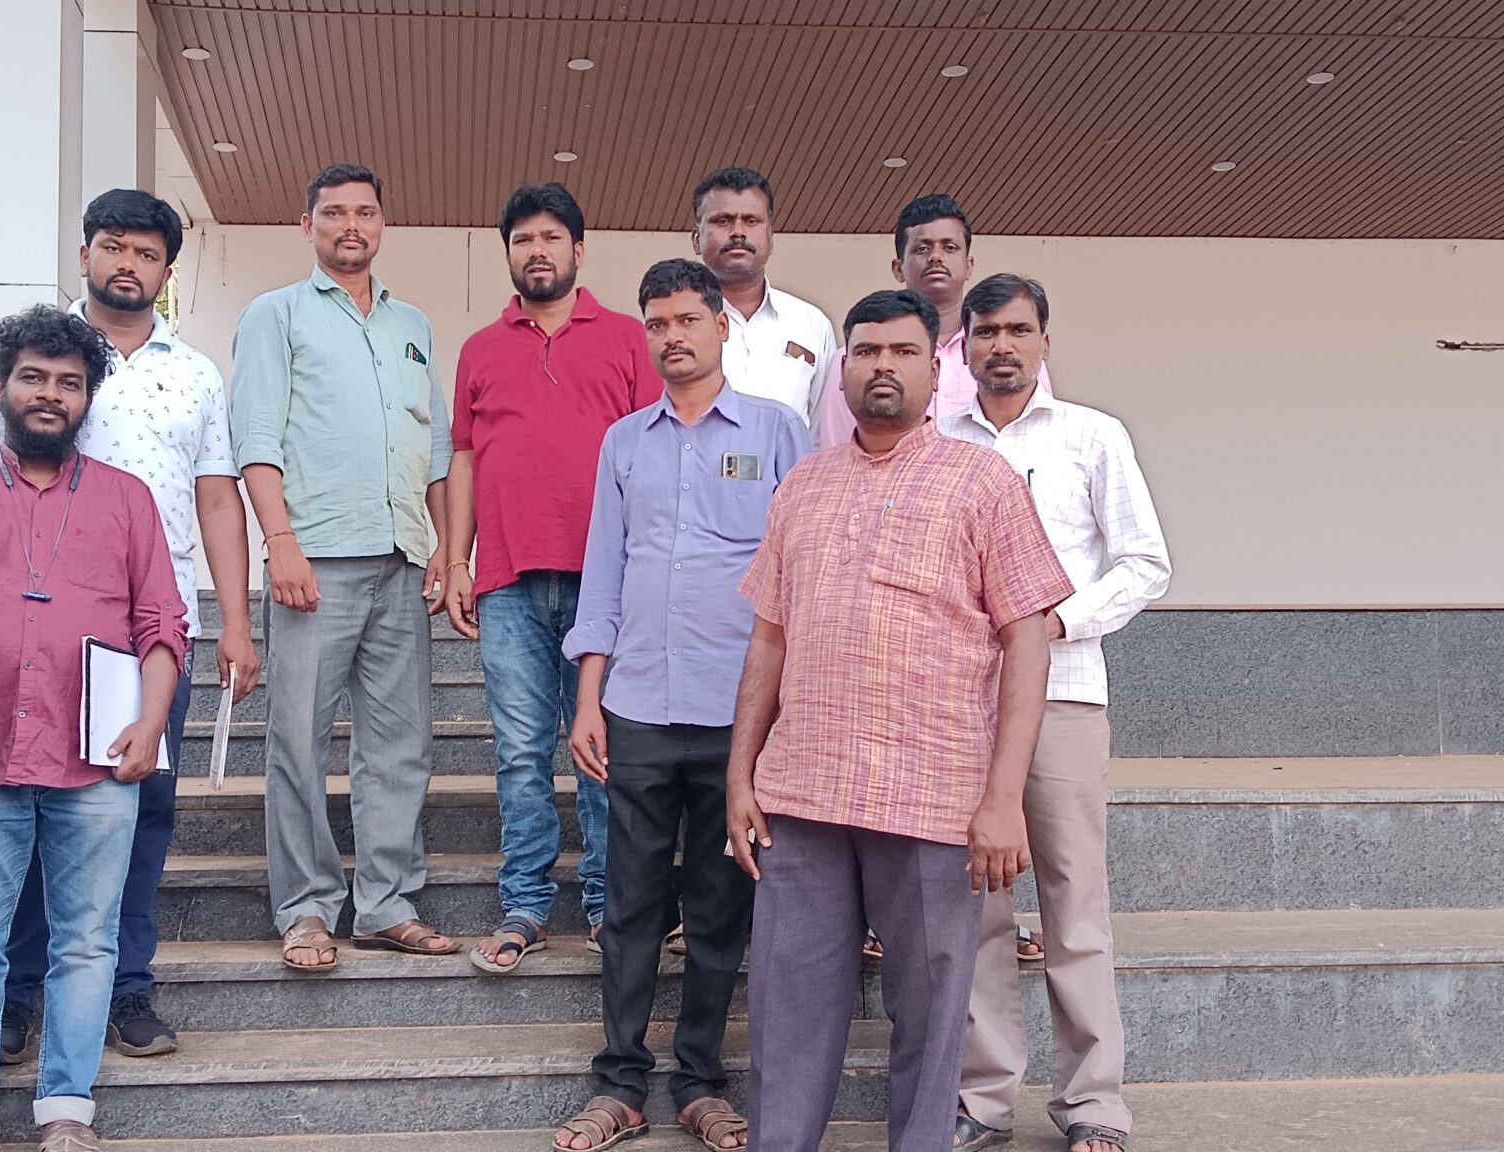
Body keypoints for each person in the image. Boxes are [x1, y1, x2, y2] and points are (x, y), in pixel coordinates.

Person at [730, 290, 1072, 1152]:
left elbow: (1028, 642)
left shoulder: (983, 483)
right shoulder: (802, 487)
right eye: (867, 351)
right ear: (843, 368)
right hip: (802, 796)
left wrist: (1003, 799)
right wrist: (740, 776)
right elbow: (768, 640)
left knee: (930, 1017)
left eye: (904, 351)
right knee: (784, 1014)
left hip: (932, 801)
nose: (883, 365)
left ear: (933, 370)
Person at [0, 189, 259, 1063]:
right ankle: (18, 993)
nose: (128, 264)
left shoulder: (194, 373)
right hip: (38, 622)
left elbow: (216, 499)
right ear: (86, 252)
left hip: (151, 629)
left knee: (137, 811)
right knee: (25, 800)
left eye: (147, 253)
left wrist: (235, 621)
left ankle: (127, 987)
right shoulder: (37, 358)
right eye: (113, 246)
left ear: (167, 270)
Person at [548, 260, 811, 1152]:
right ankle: (620, 1083)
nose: (672, 337)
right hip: (639, 707)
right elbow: (604, 572)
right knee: (629, 904)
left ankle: (699, 1080)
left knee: (718, 903)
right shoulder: (625, 442)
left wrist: (788, 708)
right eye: (657, 324)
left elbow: (801, 573)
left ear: (720, 325)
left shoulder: (777, 432)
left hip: (740, 715)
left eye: (687, 320)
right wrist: (589, 696)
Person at [0, 307, 188, 1152]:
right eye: (33, 377)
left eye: (70, 383)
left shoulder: (127, 500)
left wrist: (151, 720)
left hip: (99, 763)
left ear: (87, 400)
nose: (50, 394)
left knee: (87, 945)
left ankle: (67, 1111)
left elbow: (162, 624)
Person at [944, 275, 1169, 1152]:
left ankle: (1094, 1106)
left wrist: (1054, 624)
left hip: (1064, 693)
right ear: (963, 346)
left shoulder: (1091, 436)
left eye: (1018, 330)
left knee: (1074, 906)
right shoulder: (938, 441)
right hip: (962, 705)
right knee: (976, 911)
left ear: (1044, 341)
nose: (1001, 346)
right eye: (985, 332)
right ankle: (982, 1100)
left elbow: (1145, 563)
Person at [231, 163, 460, 969]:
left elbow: (435, 446)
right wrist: (280, 543)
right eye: (334, 213)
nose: (351, 226)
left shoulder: (412, 324)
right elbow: (256, 436)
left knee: (401, 743)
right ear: (308, 226)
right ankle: (305, 909)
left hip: (402, 558)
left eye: (365, 212)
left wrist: (446, 547)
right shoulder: (276, 314)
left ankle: (387, 903)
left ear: (381, 224)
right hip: (315, 560)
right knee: (299, 740)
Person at [439, 183, 660, 972]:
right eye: (523, 239)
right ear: (508, 253)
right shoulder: (480, 349)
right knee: (520, 752)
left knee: (605, 749)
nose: (537, 250)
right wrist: (456, 558)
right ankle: (525, 905)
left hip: (609, 585)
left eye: (551, 237)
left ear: (578, 249)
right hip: (507, 582)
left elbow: (655, 452)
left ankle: (608, 904)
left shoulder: (629, 339)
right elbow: (464, 459)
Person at [812, 195, 1053, 453]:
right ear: (898, 268)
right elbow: (840, 451)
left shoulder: (1008, 355)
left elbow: (1038, 439)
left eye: (949, 247)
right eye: (922, 248)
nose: (936, 257)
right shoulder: (859, 359)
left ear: (969, 265)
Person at [690, 167, 837, 427]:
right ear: (696, 239)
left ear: (770, 237)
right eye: (722, 221)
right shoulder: (671, 327)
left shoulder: (811, 323)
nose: (738, 232)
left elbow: (821, 429)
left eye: (751, 221)